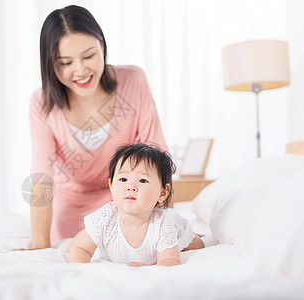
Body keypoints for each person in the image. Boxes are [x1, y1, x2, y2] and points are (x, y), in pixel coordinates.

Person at [28, 5, 198, 249]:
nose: (80, 70)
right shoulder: (41, 103)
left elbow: (157, 156)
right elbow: (41, 179)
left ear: (103, 48)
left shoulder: (133, 81)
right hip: (73, 210)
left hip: (130, 200)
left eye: (89, 56)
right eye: (65, 62)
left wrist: (160, 227)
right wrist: (40, 246)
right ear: (50, 65)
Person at [68, 143, 203, 266]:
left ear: (162, 193)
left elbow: (170, 261)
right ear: (111, 186)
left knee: (197, 244)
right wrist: (81, 269)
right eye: (123, 179)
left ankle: (196, 234)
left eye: (143, 180)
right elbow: (82, 249)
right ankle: (81, 234)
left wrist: (148, 269)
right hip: (106, 233)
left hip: (175, 228)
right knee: (78, 242)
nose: (131, 187)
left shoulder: (162, 224)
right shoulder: (104, 218)